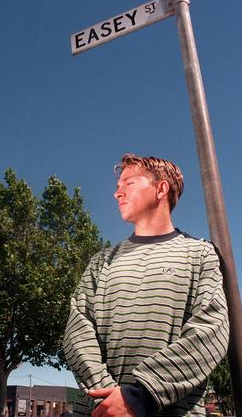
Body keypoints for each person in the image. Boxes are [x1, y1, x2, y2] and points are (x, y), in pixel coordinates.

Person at [63, 154, 229, 417]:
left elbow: (211, 331)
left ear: (161, 188)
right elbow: (77, 331)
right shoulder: (101, 261)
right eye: (117, 187)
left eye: (128, 184)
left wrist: (139, 397)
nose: (117, 193)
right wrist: (106, 398)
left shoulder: (199, 254)